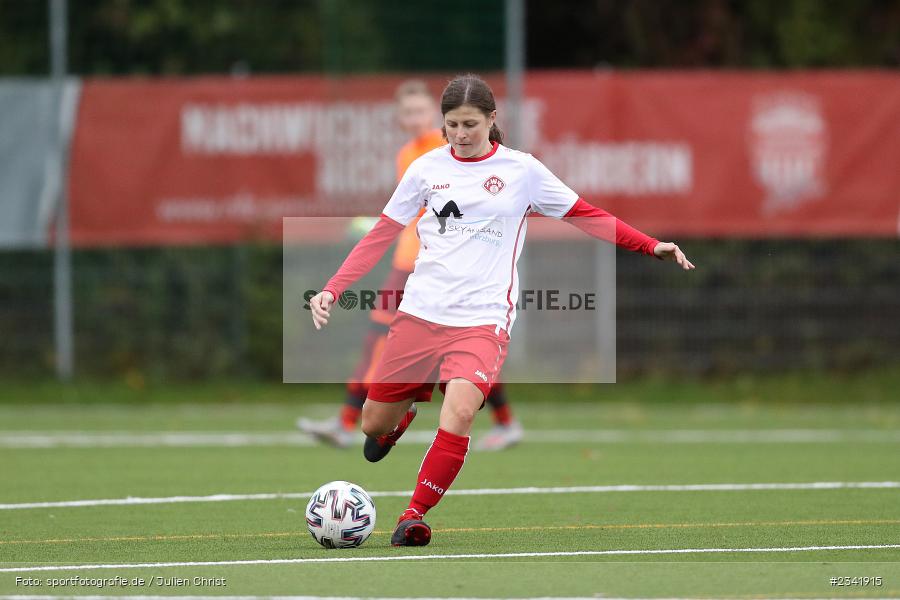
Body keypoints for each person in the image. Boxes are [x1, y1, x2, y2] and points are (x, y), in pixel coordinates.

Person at [308, 74, 694, 547]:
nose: (462, 134)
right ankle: (402, 417)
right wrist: (333, 288)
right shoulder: (425, 169)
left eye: (471, 123)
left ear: (493, 120)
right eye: (452, 125)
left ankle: (413, 515)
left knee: (463, 409)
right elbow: (382, 234)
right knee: (372, 424)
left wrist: (649, 245)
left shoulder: (522, 171)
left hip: (482, 321)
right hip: (421, 314)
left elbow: (586, 214)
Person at [298, 79, 523, 451]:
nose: (414, 118)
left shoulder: (451, 148)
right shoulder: (409, 156)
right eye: (407, 113)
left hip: (433, 270)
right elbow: (406, 211)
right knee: (377, 339)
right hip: (406, 262)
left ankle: (504, 421)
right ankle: (348, 420)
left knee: (462, 350)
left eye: (420, 111)